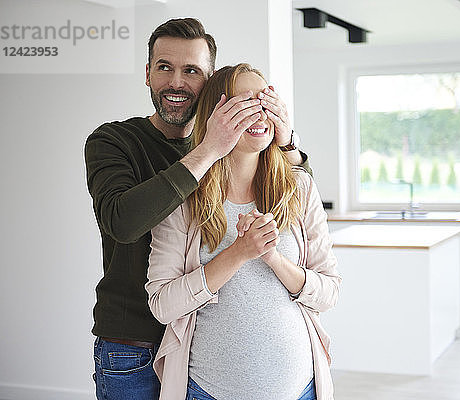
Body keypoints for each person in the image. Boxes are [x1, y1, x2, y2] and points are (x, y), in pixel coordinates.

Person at [85, 19, 311, 400]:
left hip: (201, 345)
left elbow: (296, 196)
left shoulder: (233, 154)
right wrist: (210, 148)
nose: (176, 82)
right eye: (164, 67)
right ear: (147, 74)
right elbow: (121, 222)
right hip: (134, 345)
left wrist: (286, 141)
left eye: (191, 71)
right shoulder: (113, 140)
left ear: (209, 85)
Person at [145, 63, 341, 400]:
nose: (260, 113)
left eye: (265, 102)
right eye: (245, 103)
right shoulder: (184, 198)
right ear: (215, 115)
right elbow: (163, 305)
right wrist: (238, 253)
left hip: (301, 389)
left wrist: (273, 259)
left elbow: (329, 292)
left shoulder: (299, 188)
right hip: (207, 391)